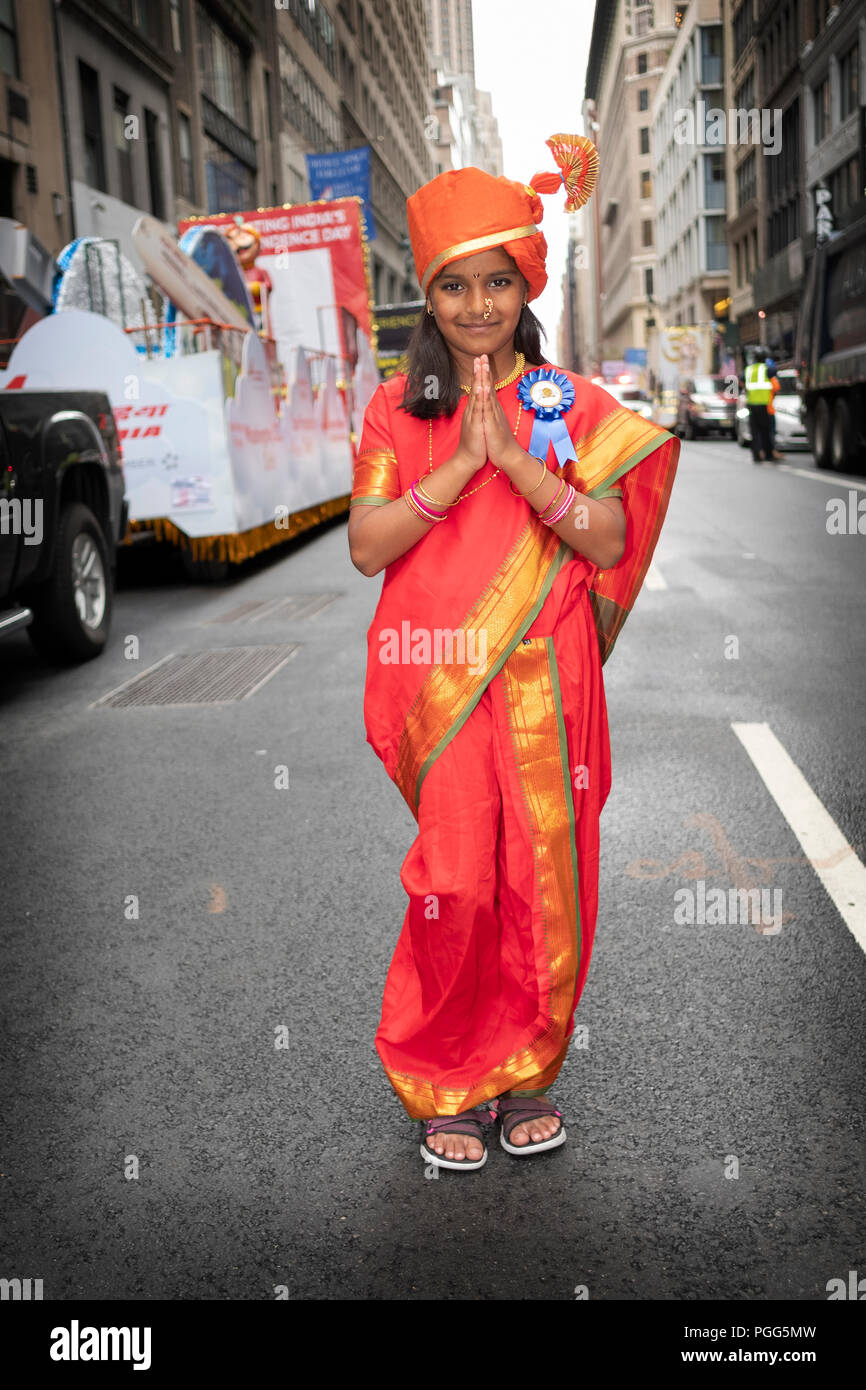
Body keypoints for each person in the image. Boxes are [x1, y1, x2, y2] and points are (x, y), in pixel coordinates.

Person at [347, 134, 680, 1171]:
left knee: (545, 880)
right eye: (456, 285)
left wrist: (527, 473)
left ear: (525, 282)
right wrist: (455, 471)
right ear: (429, 296)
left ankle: (527, 1074)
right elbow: (367, 548)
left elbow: (609, 537)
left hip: (548, 678)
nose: (478, 304)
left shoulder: (573, 407)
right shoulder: (395, 412)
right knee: (453, 881)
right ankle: (445, 1075)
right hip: (440, 680)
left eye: (498, 280)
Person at [744, 348, 774, 463]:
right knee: (765, 431)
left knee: (754, 432)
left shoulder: (748, 370)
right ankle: (768, 455)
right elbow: (774, 372)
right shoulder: (767, 369)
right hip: (763, 405)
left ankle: (756, 455)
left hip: (751, 404)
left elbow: (741, 381)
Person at [765, 357, 785, 460]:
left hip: (763, 410)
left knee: (765, 433)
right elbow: (776, 391)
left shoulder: (761, 379)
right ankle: (771, 451)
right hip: (769, 411)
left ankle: (766, 452)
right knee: (770, 433)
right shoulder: (773, 380)